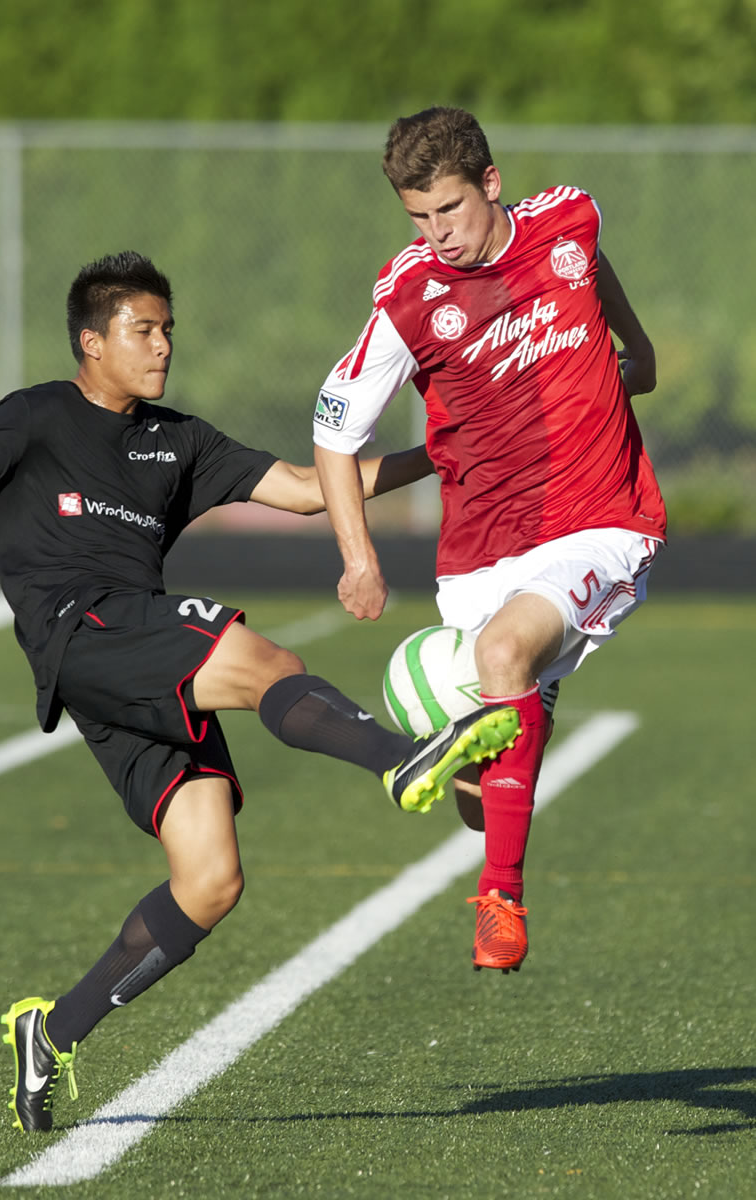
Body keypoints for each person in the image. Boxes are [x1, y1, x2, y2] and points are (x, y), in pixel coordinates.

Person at [0, 250, 522, 1133]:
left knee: (209, 881)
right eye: (142, 330)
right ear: (92, 342)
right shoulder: (36, 416)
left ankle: (52, 1030)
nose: (162, 346)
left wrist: (443, 449)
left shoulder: (180, 440)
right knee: (262, 658)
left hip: (132, 654)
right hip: (80, 626)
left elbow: (316, 490)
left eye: (168, 330)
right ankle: (403, 761)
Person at [312, 107, 667, 975]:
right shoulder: (406, 295)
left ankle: (500, 903)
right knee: (481, 794)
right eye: (417, 218)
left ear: (491, 184)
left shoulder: (568, 221)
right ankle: (524, 709)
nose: (437, 235)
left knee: (506, 653)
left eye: (450, 212)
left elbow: (592, 269)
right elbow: (332, 434)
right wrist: (358, 557)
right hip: (476, 555)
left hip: (599, 520)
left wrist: (637, 349)